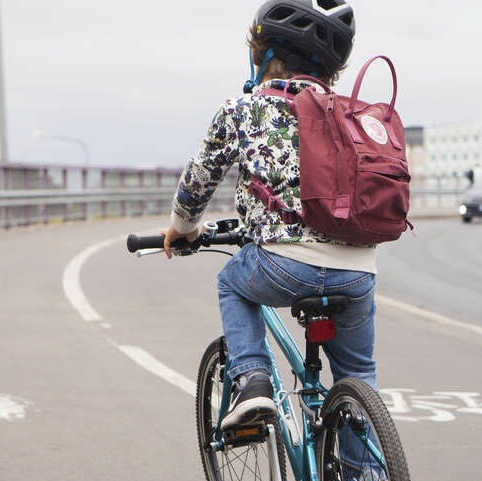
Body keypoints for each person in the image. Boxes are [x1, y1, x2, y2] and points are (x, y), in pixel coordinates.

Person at [160, 0, 374, 431]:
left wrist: (182, 228)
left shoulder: (244, 109)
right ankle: (364, 479)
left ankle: (252, 380)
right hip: (358, 272)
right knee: (358, 378)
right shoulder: (352, 114)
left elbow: (200, 179)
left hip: (282, 265)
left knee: (231, 283)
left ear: (266, 56)